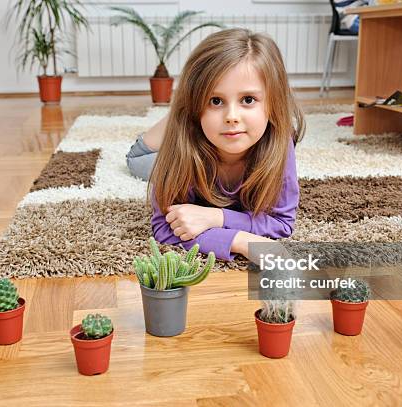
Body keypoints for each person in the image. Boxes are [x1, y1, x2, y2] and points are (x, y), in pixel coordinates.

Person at [128, 28, 305, 260]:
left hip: (205, 133)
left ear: (273, 103)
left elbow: (282, 223)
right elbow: (163, 228)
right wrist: (240, 240)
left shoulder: (279, 141)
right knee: (136, 161)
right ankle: (173, 118)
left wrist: (217, 217)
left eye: (248, 100)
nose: (232, 116)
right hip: (185, 142)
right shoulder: (181, 148)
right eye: (216, 100)